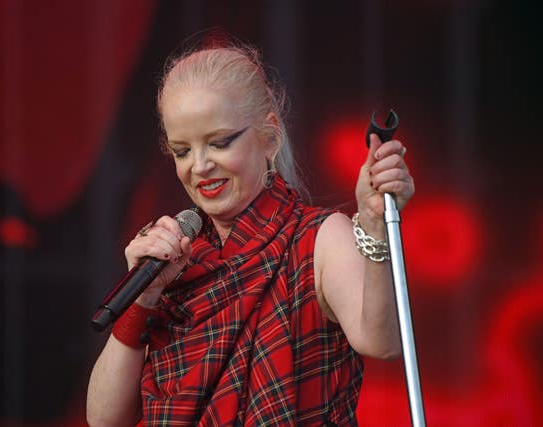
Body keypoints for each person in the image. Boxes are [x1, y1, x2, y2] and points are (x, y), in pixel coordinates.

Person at [87, 41, 414, 427]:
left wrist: (374, 225)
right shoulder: (172, 257)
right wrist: (142, 300)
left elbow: (383, 342)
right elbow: (104, 420)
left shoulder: (316, 238)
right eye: (182, 151)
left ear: (270, 136)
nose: (201, 166)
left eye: (220, 142)